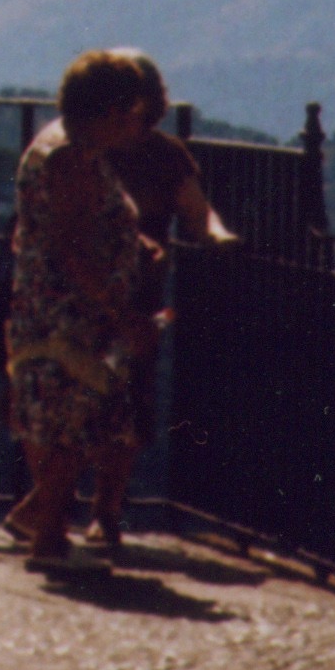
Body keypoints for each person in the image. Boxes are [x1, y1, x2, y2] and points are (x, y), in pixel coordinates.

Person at [2, 48, 165, 570]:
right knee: (75, 423)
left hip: (60, 311)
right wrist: (124, 316)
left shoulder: (72, 148)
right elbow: (71, 248)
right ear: (109, 111)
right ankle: (46, 537)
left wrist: (129, 240)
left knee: (73, 423)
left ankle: (44, 526)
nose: (135, 123)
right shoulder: (69, 158)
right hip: (70, 317)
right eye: (129, 113)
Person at [92, 51, 230, 551]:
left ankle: (103, 509)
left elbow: (197, 208)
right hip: (104, 280)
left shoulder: (165, 154)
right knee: (97, 395)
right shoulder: (90, 148)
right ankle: (62, 507)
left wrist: (215, 233)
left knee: (125, 400)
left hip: (135, 285)